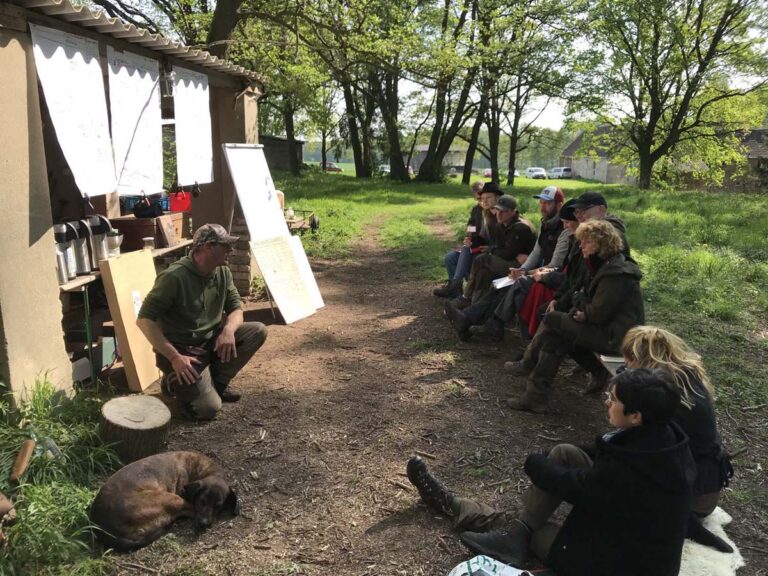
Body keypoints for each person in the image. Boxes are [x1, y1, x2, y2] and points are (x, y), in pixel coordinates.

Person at [407, 368, 696, 576]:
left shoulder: (632, 471)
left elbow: (575, 485)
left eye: (614, 399)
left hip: (619, 565)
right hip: (621, 535)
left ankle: (453, 505)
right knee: (564, 454)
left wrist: (535, 463)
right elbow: (604, 454)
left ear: (635, 416)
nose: (607, 402)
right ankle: (512, 534)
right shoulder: (662, 438)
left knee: (523, 527)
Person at [507, 219, 644, 412]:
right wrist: (579, 305)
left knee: (554, 320)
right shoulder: (602, 264)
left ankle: (531, 371)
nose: (581, 246)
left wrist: (580, 304)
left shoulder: (615, 273)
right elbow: (584, 297)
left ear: (599, 244)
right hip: (605, 329)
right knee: (558, 334)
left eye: (586, 242)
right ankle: (535, 393)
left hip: (617, 337)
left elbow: (596, 312)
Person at [137, 223, 268, 420]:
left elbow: (236, 309)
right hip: (183, 352)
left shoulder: (222, 272)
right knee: (208, 409)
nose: (230, 250)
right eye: (225, 246)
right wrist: (174, 357)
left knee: (257, 331)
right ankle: (172, 382)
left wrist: (228, 331)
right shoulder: (174, 277)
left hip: (210, 344)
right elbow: (144, 320)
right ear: (207, 247)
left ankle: (217, 384)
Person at [621, 326, 734, 552]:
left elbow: (643, 450)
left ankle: (687, 525)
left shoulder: (668, 398)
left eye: (629, 361)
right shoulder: (685, 377)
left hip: (694, 499)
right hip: (704, 489)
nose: (625, 365)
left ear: (643, 360)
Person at [451, 192, 573, 343]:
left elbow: (555, 265)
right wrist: (523, 270)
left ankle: (475, 316)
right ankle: (472, 320)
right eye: (541, 202)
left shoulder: (563, 230)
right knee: (496, 282)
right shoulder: (545, 223)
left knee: (503, 277)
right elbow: (536, 252)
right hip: (536, 270)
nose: (543, 207)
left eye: (547, 203)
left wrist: (525, 271)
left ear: (559, 205)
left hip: (551, 276)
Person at [451, 194, 537, 308]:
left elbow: (508, 254)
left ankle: (465, 295)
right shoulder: (496, 222)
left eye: (503, 211)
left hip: (520, 266)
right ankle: (474, 306)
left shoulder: (520, 227)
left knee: (481, 260)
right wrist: (475, 241)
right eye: (497, 210)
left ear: (513, 212)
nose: (499, 214)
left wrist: (491, 249)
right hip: (506, 260)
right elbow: (498, 246)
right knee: (482, 272)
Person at [435, 182, 501, 298]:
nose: (483, 201)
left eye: (486, 197)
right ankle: (456, 289)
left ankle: (459, 288)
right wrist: (470, 236)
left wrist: (478, 242)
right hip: (477, 243)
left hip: (487, 249)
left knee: (467, 255)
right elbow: (471, 224)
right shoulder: (477, 210)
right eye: (480, 198)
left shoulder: (499, 214)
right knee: (450, 257)